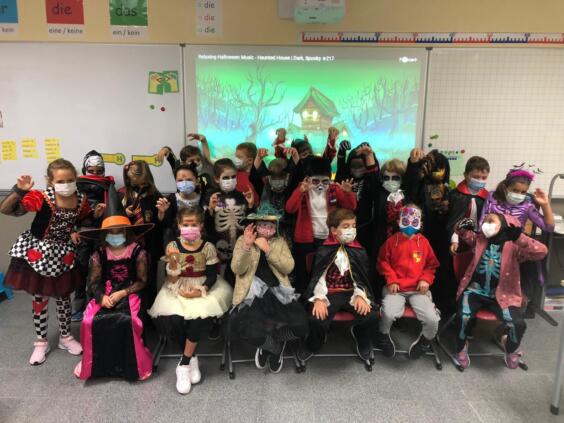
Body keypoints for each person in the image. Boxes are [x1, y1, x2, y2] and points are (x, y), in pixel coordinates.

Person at [0, 159, 104, 365]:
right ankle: (41, 342)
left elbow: (83, 220)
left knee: (64, 296)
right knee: (40, 297)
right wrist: (19, 191)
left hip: (63, 253)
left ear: (76, 179)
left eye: (70, 180)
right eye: (60, 181)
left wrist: (96, 215)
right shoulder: (41, 197)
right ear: (50, 181)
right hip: (39, 251)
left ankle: (66, 337)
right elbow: (6, 209)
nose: (66, 184)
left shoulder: (81, 199)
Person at [149, 207, 232, 394]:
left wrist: (200, 290)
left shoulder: (208, 247)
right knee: (175, 320)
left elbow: (212, 275)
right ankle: (191, 358)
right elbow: (171, 279)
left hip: (201, 286)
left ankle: (183, 365)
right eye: (185, 224)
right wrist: (173, 264)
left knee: (198, 318)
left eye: (194, 224)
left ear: (201, 226)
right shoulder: (172, 246)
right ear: (179, 225)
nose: (189, 227)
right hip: (178, 286)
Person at [74, 185, 154, 381]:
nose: (115, 235)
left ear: (127, 232)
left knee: (129, 320)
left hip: (130, 291)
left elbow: (142, 281)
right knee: (89, 320)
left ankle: (133, 363)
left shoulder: (138, 252)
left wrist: (122, 293)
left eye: (119, 231)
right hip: (105, 290)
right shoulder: (99, 253)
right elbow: (92, 282)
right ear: (104, 234)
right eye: (111, 231)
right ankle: (93, 362)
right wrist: (101, 297)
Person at [454, 213, 547, 369]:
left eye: (491, 221)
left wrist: (520, 238)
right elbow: (462, 233)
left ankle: (509, 348)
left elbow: (541, 252)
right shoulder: (480, 239)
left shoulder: (514, 245)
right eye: (486, 221)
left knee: (518, 324)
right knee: (463, 316)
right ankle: (461, 347)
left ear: (503, 225)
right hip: (474, 291)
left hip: (503, 295)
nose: (486, 224)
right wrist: (461, 226)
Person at [230, 203, 308, 373]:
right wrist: (247, 246)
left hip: (278, 291)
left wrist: (268, 250)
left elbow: (288, 267)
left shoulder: (280, 242)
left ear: (275, 227)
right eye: (262, 224)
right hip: (252, 294)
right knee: (252, 333)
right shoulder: (243, 240)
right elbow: (237, 269)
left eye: (270, 225)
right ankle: (274, 348)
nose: (266, 228)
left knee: (301, 327)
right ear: (255, 225)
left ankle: (276, 339)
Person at [299, 208, 377, 362]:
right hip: (330, 293)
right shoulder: (324, 250)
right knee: (315, 319)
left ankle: (361, 337)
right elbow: (319, 278)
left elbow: (361, 278)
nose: (351, 230)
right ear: (334, 230)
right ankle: (314, 343)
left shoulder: (359, 250)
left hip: (351, 293)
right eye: (346, 226)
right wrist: (319, 299)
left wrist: (361, 295)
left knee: (372, 315)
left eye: (353, 226)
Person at [479, 168, 555, 315]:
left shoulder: (527, 205)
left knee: (519, 279)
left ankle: (511, 313)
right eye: (515, 190)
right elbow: (482, 222)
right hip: (491, 245)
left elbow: (548, 227)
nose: (519, 194)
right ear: (506, 186)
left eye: (523, 192)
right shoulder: (492, 197)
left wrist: (545, 205)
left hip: (514, 249)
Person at [376, 204, 441, 359]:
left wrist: (425, 279)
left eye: (414, 221)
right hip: (395, 289)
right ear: (399, 220)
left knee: (432, 318)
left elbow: (432, 265)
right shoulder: (392, 241)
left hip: (418, 290)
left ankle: (425, 341)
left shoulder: (424, 243)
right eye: (406, 220)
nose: (410, 225)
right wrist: (391, 279)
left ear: (420, 223)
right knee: (388, 313)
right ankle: (383, 336)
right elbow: (382, 262)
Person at [286, 156, 356, 293]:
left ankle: (322, 297)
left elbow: (350, 207)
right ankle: (304, 297)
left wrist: (348, 193)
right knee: (304, 272)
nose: (320, 185)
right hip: (306, 238)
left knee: (325, 270)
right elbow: (290, 209)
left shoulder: (334, 189)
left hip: (328, 237)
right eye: (315, 181)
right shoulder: (303, 189)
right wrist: (300, 192)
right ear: (308, 179)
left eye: (325, 181)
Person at [405, 148, 454, 314]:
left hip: (442, 238)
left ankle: (439, 306)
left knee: (440, 271)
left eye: (441, 168)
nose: (437, 171)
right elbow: (409, 188)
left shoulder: (448, 190)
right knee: (418, 268)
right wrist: (413, 164)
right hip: (421, 236)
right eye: (433, 167)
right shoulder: (418, 186)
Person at [72, 150, 115, 322]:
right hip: (83, 235)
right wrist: (72, 230)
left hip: (103, 235)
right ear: (85, 169)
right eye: (91, 171)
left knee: (101, 271)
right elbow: (68, 214)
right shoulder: (76, 188)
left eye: (99, 171)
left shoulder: (108, 186)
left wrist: (101, 215)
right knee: (81, 270)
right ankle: (78, 307)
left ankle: (96, 303)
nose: (95, 174)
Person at [119, 160, 166, 307]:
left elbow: (160, 223)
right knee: (131, 276)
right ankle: (132, 308)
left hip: (150, 244)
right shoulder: (124, 195)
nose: (140, 186)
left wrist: (162, 213)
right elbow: (116, 221)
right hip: (130, 244)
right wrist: (124, 213)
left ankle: (150, 308)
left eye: (143, 183)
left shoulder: (155, 195)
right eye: (135, 182)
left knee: (150, 278)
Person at [335, 141, 380, 256]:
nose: (357, 169)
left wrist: (370, 156)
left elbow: (374, 180)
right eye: (353, 167)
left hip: (366, 226)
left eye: (360, 166)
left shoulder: (370, 181)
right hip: (345, 227)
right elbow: (341, 171)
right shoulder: (346, 179)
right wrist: (341, 154)